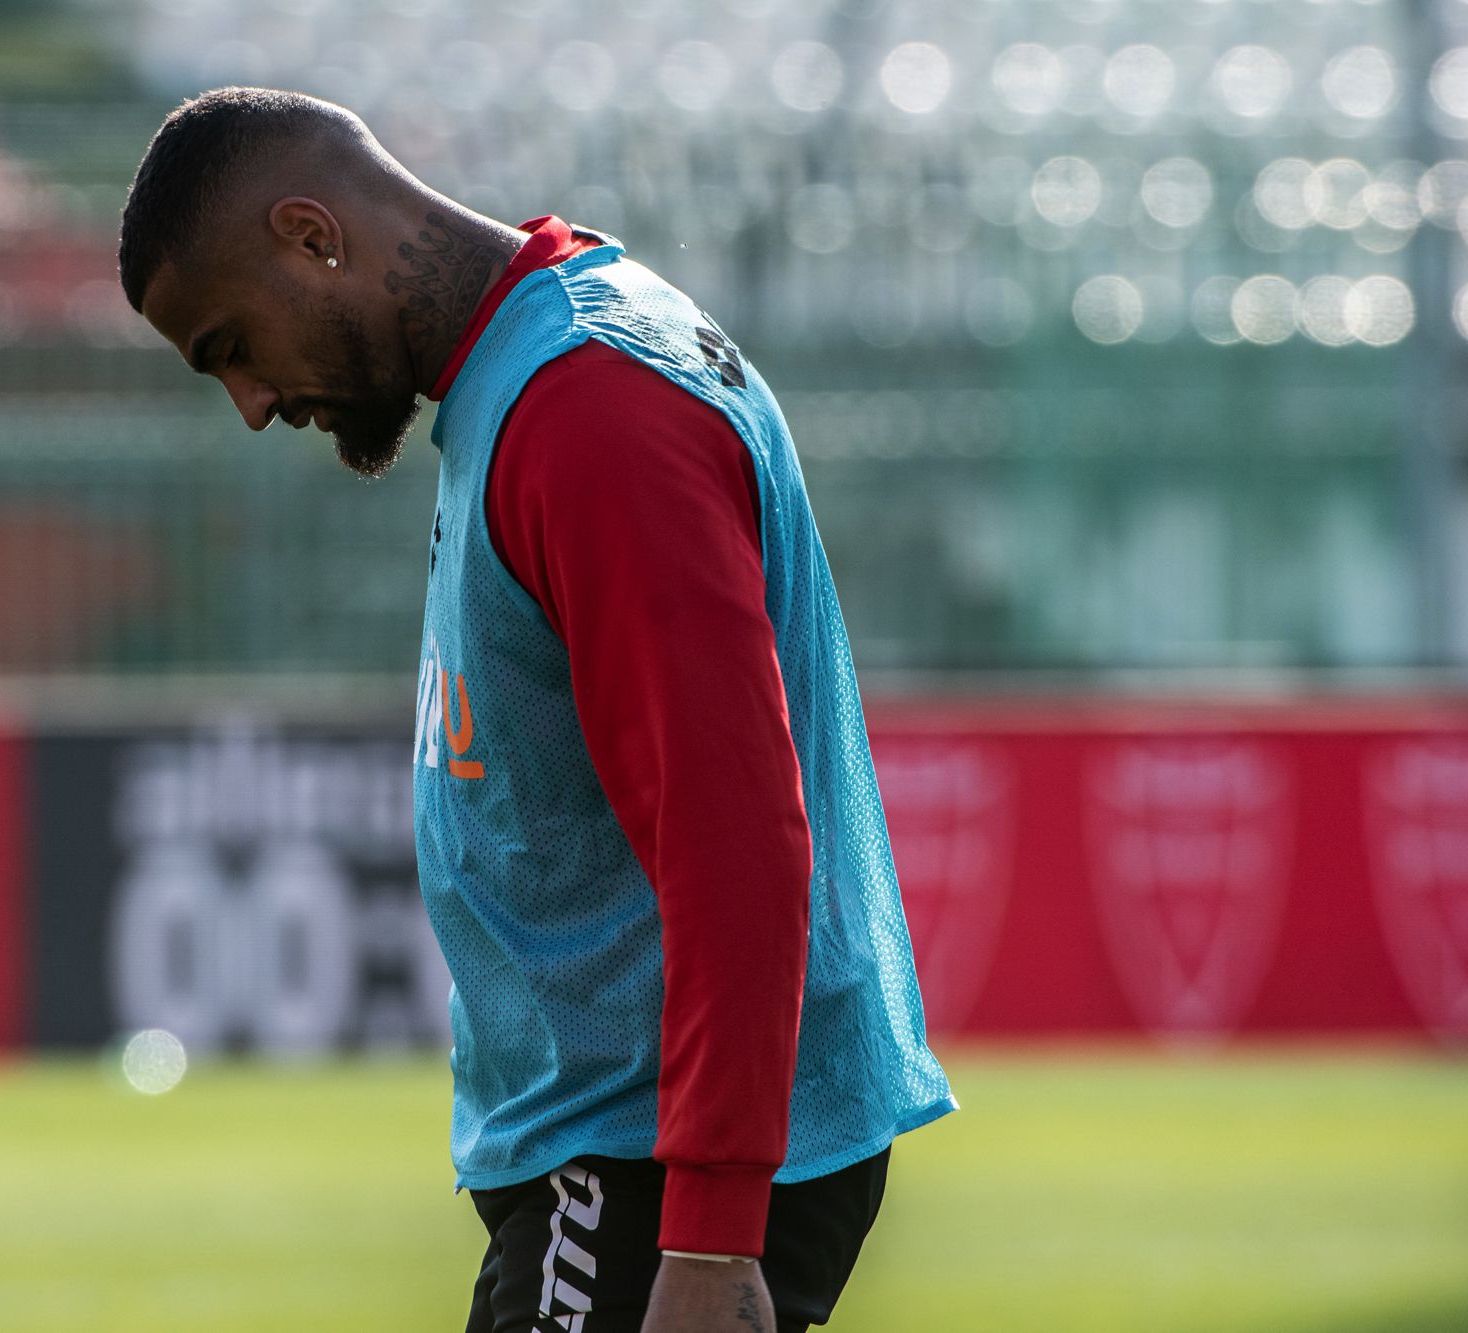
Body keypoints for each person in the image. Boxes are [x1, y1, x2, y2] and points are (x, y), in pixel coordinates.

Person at [118, 87, 956, 1333]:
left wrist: (710, 1237)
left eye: (230, 344)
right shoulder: (530, 373)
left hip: (647, 1160)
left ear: (311, 235)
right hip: (618, 1152)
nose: (249, 402)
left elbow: (731, 833)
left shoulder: (588, 407)